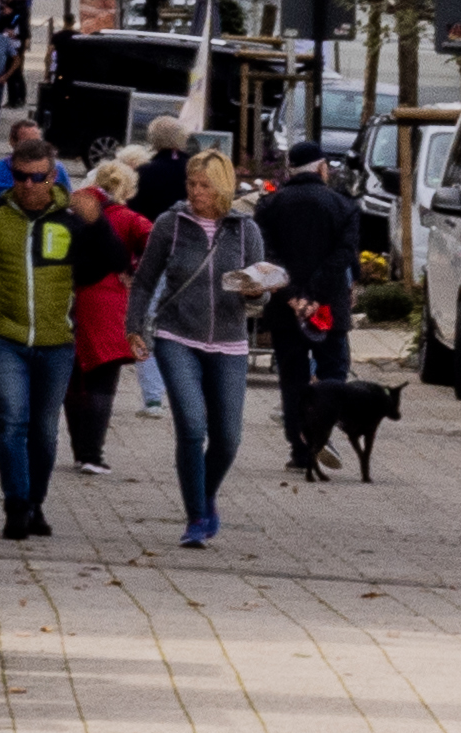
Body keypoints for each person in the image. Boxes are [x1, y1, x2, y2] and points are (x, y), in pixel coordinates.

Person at [139, 145, 277, 547]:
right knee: (192, 425)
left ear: (223, 188)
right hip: (176, 335)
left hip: (229, 341)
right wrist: (134, 326)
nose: (196, 192)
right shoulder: (172, 224)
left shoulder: (245, 230)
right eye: (191, 183)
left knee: (228, 436)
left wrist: (257, 292)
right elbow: (146, 279)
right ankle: (196, 516)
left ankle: (205, 493)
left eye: (204, 185)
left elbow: (259, 290)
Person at [0, 138, 88, 536]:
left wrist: (99, 221)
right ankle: (15, 504)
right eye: (20, 176)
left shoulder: (71, 219)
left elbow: (108, 262)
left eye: (37, 178)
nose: (28, 184)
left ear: (52, 177)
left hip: (56, 341)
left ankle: (35, 502)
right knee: (12, 422)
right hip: (5, 335)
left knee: (45, 430)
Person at [265, 138, 372, 478]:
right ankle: (321, 429)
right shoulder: (344, 207)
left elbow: (266, 254)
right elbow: (344, 255)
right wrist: (314, 294)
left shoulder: (270, 204)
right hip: (328, 306)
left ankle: (299, 448)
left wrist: (294, 294)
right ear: (323, 168)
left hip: (287, 307)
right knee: (333, 370)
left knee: (292, 375)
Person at [62, 142, 152, 467]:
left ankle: (79, 452)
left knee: (75, 380)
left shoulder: (75, 215)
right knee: (102, 382)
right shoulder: (130, 219)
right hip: (110, 303)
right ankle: (92, 454)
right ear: (128, 188)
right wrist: (138, 273)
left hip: (69, 299)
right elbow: (156, 245)